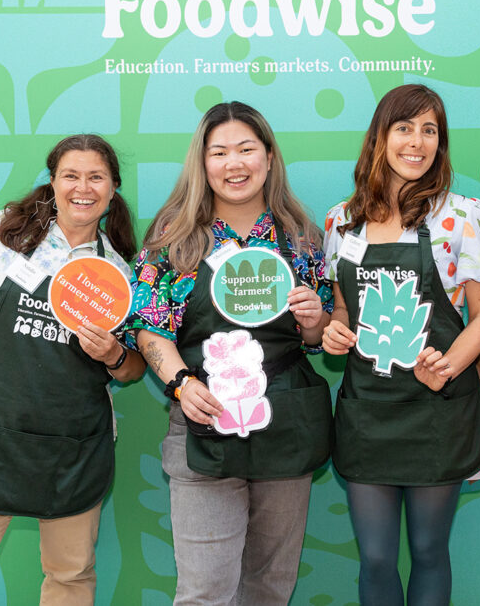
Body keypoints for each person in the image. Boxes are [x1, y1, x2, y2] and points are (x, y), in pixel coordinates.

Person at [0, 118, 146, 606]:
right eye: (71, 175)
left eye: (96, 177)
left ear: (113, 188)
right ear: (53, 181)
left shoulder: (122, 270)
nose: (83, 188)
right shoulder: (9, 233)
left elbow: (135, 367)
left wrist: (114, 354)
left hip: (72, 445)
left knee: (71, 577)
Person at [125, 101, 333, 605]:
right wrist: (181, 383)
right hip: (204, 424)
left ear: (268, 156)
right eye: (219, 152)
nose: (233, 164)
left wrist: (315, 319)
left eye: (246, 149)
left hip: (286, 420)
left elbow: (319, 336)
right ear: (202, 161)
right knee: (204, 592)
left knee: (270, 588)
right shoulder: (173, 238)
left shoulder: (301, 237)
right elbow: (149, 328)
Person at [322, 84, 480, 606]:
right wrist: (334, 332)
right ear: (380, 137)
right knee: (375, 557)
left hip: (438, 410)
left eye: (429, 130)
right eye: (404, 128)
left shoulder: (463, 215)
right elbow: (341, 309)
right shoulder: (342, 220)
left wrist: (447, 367)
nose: (416, 142)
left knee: (428, 550)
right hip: (368, 412)